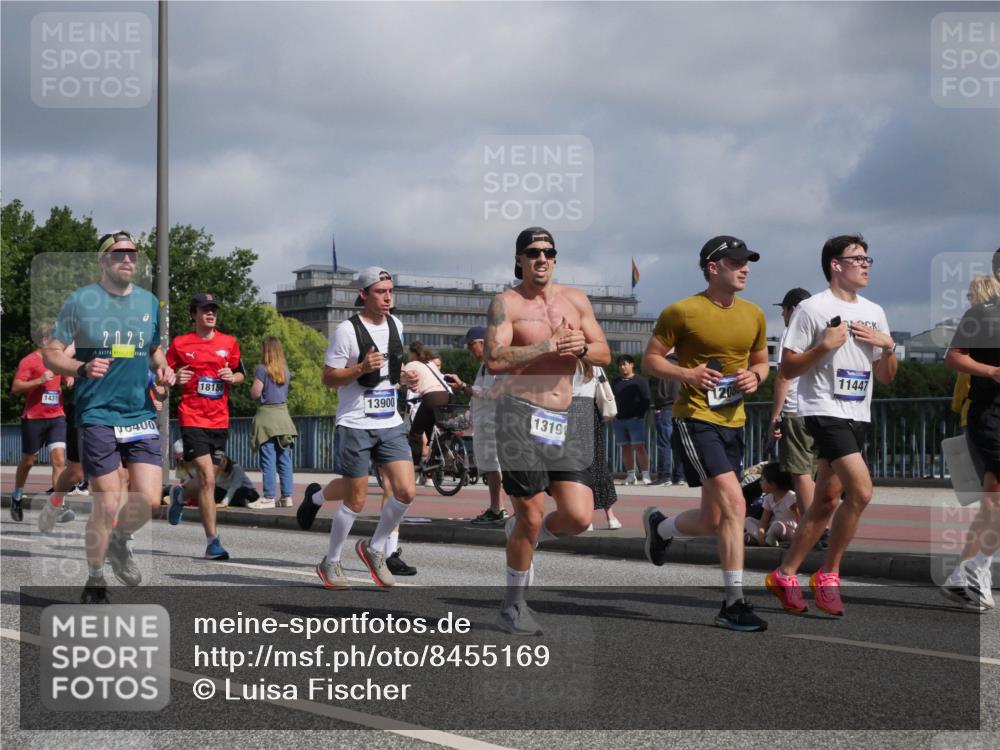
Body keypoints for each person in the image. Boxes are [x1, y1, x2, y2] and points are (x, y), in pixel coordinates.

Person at [641, 235, 770, 632]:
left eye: (747, 262)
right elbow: (650, 361)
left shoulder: (754, 314)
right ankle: (733, 603)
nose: (745, 268)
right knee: (735, 504)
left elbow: (762, 362)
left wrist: (755, 377)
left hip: (735, 421)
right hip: (695, 418)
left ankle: (661, 528)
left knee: (715, 519)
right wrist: (687, 374)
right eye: (736, 262)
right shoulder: (682, 311)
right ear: (713, 268)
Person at [486, 226, 611, 634]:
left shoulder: (575, 300)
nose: (542, 258)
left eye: (548, 252)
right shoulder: (506, 303)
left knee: (578, 517)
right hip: (518, 415)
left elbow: (604, 353)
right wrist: (548, 346)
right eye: (533, 252)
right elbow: (494, 359)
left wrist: (581, 348)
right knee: (532, 515)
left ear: (555, 258)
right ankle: (512, 606)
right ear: (519, 259)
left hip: (565, 416)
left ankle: (521, 531)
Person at [765, 234, 897, 618]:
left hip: (858, 412)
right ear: (835, 265)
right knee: (862, 491)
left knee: (825, 502)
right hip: (822, 409)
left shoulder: (875, 311)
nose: (866, 264)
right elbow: (788, 367)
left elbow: (886, 377)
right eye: (858, 258)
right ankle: (829, 574)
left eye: (868, 259)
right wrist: (823, 346)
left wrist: (888, 346)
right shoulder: (812, 309)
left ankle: (785, 574)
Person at [43, 230, 176, 603]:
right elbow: (52, 353)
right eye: (119, 254)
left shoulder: (148, 302)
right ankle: (95, 579)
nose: (128, 259)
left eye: (132, 253)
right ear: (103, 261)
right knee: (108, 502)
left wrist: (163, 368)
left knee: (150, 500)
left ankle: (119, 539)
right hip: (97, 413)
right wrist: (80, 368)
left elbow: (154, 349)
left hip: (139, 413)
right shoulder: (81, 301)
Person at [295, 266, 417, 590]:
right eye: (380, 292)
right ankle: (331, 560)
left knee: (406, 491)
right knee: (356, 499)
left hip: (390, 421)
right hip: (355, 423)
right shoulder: (346, 331)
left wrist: (404, 377)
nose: (388, 297)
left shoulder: (396, 325)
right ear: (363, 294)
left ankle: (374, 548)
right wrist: (360, 368)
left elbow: (392, 368)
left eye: (390, 291)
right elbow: (328, 377)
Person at [165, 293, 244, 560]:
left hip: (219, 420)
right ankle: (213, 542)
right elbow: (162, 374)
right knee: (208, 478)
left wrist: (232, 377)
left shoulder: (229, 342)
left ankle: (179, 494)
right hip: (192, 418)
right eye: (205, 309)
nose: (211, 314)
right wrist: (175, 377)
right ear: (194, 314)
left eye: (213, 310)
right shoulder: (180, 343)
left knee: (206, 479)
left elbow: (241, 373)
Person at [940, 271, 1000, 611]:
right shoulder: (981, 316)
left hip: (984, 415)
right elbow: (953, 357)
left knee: (991, 503)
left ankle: (964, 573)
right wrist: (991, 372)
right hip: (987, 415)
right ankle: (977, 568)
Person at [768, 287, 823, 543]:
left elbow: (783, 377)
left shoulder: (792, 332)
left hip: (795, 409)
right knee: (817, 472)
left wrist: (775, 415)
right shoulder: (822, 332)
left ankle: (813, 530)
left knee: (801, 474)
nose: (782, 315)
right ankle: (820, 526)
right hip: (822, 409)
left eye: (783, 310)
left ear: (792, 310)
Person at [444, 325, 509, 526]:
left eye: (471, 344)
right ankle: (496, 508)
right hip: (486, 422)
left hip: (494, 423)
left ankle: (498, 510)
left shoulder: (498, 363)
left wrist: (464, 387)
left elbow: (493, 394)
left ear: (483, 343)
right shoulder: (485, 365)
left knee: (495, 467)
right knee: (490, 467)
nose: (469, 349)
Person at [10, 324, 70, 522]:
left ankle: (58, 506)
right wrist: (39, 380)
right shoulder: (29, 361)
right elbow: (16, 387)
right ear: (44, 340)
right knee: (29, 461)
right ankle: (17, 495)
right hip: (34, 419)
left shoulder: (58, 360)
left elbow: (67, 373)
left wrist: (69, 379)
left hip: (57, 417)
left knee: (59, 460)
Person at [249, 337, 297, 508]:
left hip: (267, 419)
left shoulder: (261, 369)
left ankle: (269, 497)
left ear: (266, 351)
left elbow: (255, 393)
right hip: (284, 418)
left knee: (268, 459)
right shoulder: (286, 371)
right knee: (284, 459)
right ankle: (287, 497)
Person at [574, 361, 620, 529]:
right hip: (591, 412)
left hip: (570, 411)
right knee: (599, 463)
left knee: (578, 468)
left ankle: (586, 518)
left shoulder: (564, 363)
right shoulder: (594, 364)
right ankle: (611, 517)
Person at [402, 341, 452, 475]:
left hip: (431, 397)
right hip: (446, 396)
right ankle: (440, 453)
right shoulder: (430, 363)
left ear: (413, 353)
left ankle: (415, 464)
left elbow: (402, 379)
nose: (408, 355)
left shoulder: (412, 364)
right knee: (431, 428)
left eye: (409, 353)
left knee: (415, 432)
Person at [611, 354, 652, 485]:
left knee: (639, 447)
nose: (622, 367)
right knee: (625, 448)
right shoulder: (615, 382)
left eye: (625, 364)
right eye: (620, 365)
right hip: (619, 420)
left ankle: (645, 475)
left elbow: (646, 399)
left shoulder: (640, 381)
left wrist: (639, 415)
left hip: (635, 420)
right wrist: (613, 415)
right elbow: (610, 399)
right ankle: (630, 476)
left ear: (632, 365)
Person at [650, 353, 685, 486]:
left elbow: (661, 390)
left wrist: (658, 405)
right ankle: (680, 476)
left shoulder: (664, 366)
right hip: (682, 409)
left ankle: (664, 476)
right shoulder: (684, 366)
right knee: (679, 443)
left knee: (665, 443)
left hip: (666, 408)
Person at [744, 462, 798, 547]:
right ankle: (764, 539)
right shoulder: (768, 498)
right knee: (747, 520)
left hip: (789, 530)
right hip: (772, 527)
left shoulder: (790, 497)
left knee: (777, 525)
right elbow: (764, 520)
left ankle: (758, 539)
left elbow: (799, 517)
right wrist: (761, 531)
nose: (760, 483)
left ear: (772, 484)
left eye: (762, 480)